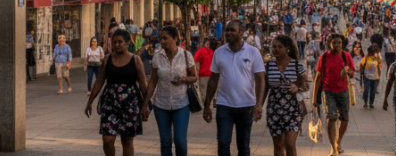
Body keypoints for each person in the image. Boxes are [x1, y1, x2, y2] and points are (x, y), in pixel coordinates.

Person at [203, 20, 266, 156]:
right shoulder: (219, 53)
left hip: (246, 105)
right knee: (223, 143)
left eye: (232, 30)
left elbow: (260, 79)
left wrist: (259, 104)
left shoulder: (253, 52)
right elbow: (213, 80)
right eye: (227, 30)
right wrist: (207, 105)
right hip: (224, 105)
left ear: (241, 33)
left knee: (243, 145)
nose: (228, 33)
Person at [86, 29, 149, 156]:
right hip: (110, 103)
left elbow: (143, 86)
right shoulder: (107, 60)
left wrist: (146, 106)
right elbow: (99, 82)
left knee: (127, 139)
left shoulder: (136, 60)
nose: (117, 45)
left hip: (130, 104)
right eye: (114, 42)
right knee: (107, 139)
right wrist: (90, 101)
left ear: (127, 43)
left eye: (120, 42)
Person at [145, 26, 197, 156]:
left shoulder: (186, 55)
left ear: (175, 39)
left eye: (165, 38)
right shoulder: (157, 57)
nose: (162, 41)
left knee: (180, 141)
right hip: (161, 105)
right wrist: (145, 103)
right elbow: (153, 82)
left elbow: (194, 77)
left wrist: (183, 79)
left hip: (182, 104)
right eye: (161, 38)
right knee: (165, 142)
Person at [263, 35, 308, 156]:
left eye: (279, 47)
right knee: (278, 145)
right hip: (274, 109)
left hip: (293, 108)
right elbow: (265, 88)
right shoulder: (267, 66)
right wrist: (258, 106)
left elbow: (306, 87)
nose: (276, 49)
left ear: (287, 48)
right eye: (274, 47)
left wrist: (297, 88)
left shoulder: (297, 66)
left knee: (290, 144)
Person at [313, 33, 355, 156]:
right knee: (331, 117)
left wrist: (349, 71)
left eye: (339, 43)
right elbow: (318, 76)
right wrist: (315, 97)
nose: (337, 45)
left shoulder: (346, 56)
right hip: (328, 90)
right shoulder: (324, 57)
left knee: (344, 118)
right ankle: (332, 147)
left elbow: (352, 74)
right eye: (334, 43)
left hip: (343, 90)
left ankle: (338, 142)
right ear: (329, 44)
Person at [359, 44, 383, 109]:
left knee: (373, 91)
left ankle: (371, 103)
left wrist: (379, 76)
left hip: (375, 77)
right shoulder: (366, 57)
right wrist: (361, 72)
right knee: (366, 90)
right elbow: (361, 64)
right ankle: (365, 102)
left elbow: (379, 68)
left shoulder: (378, 58)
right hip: (367, 77)